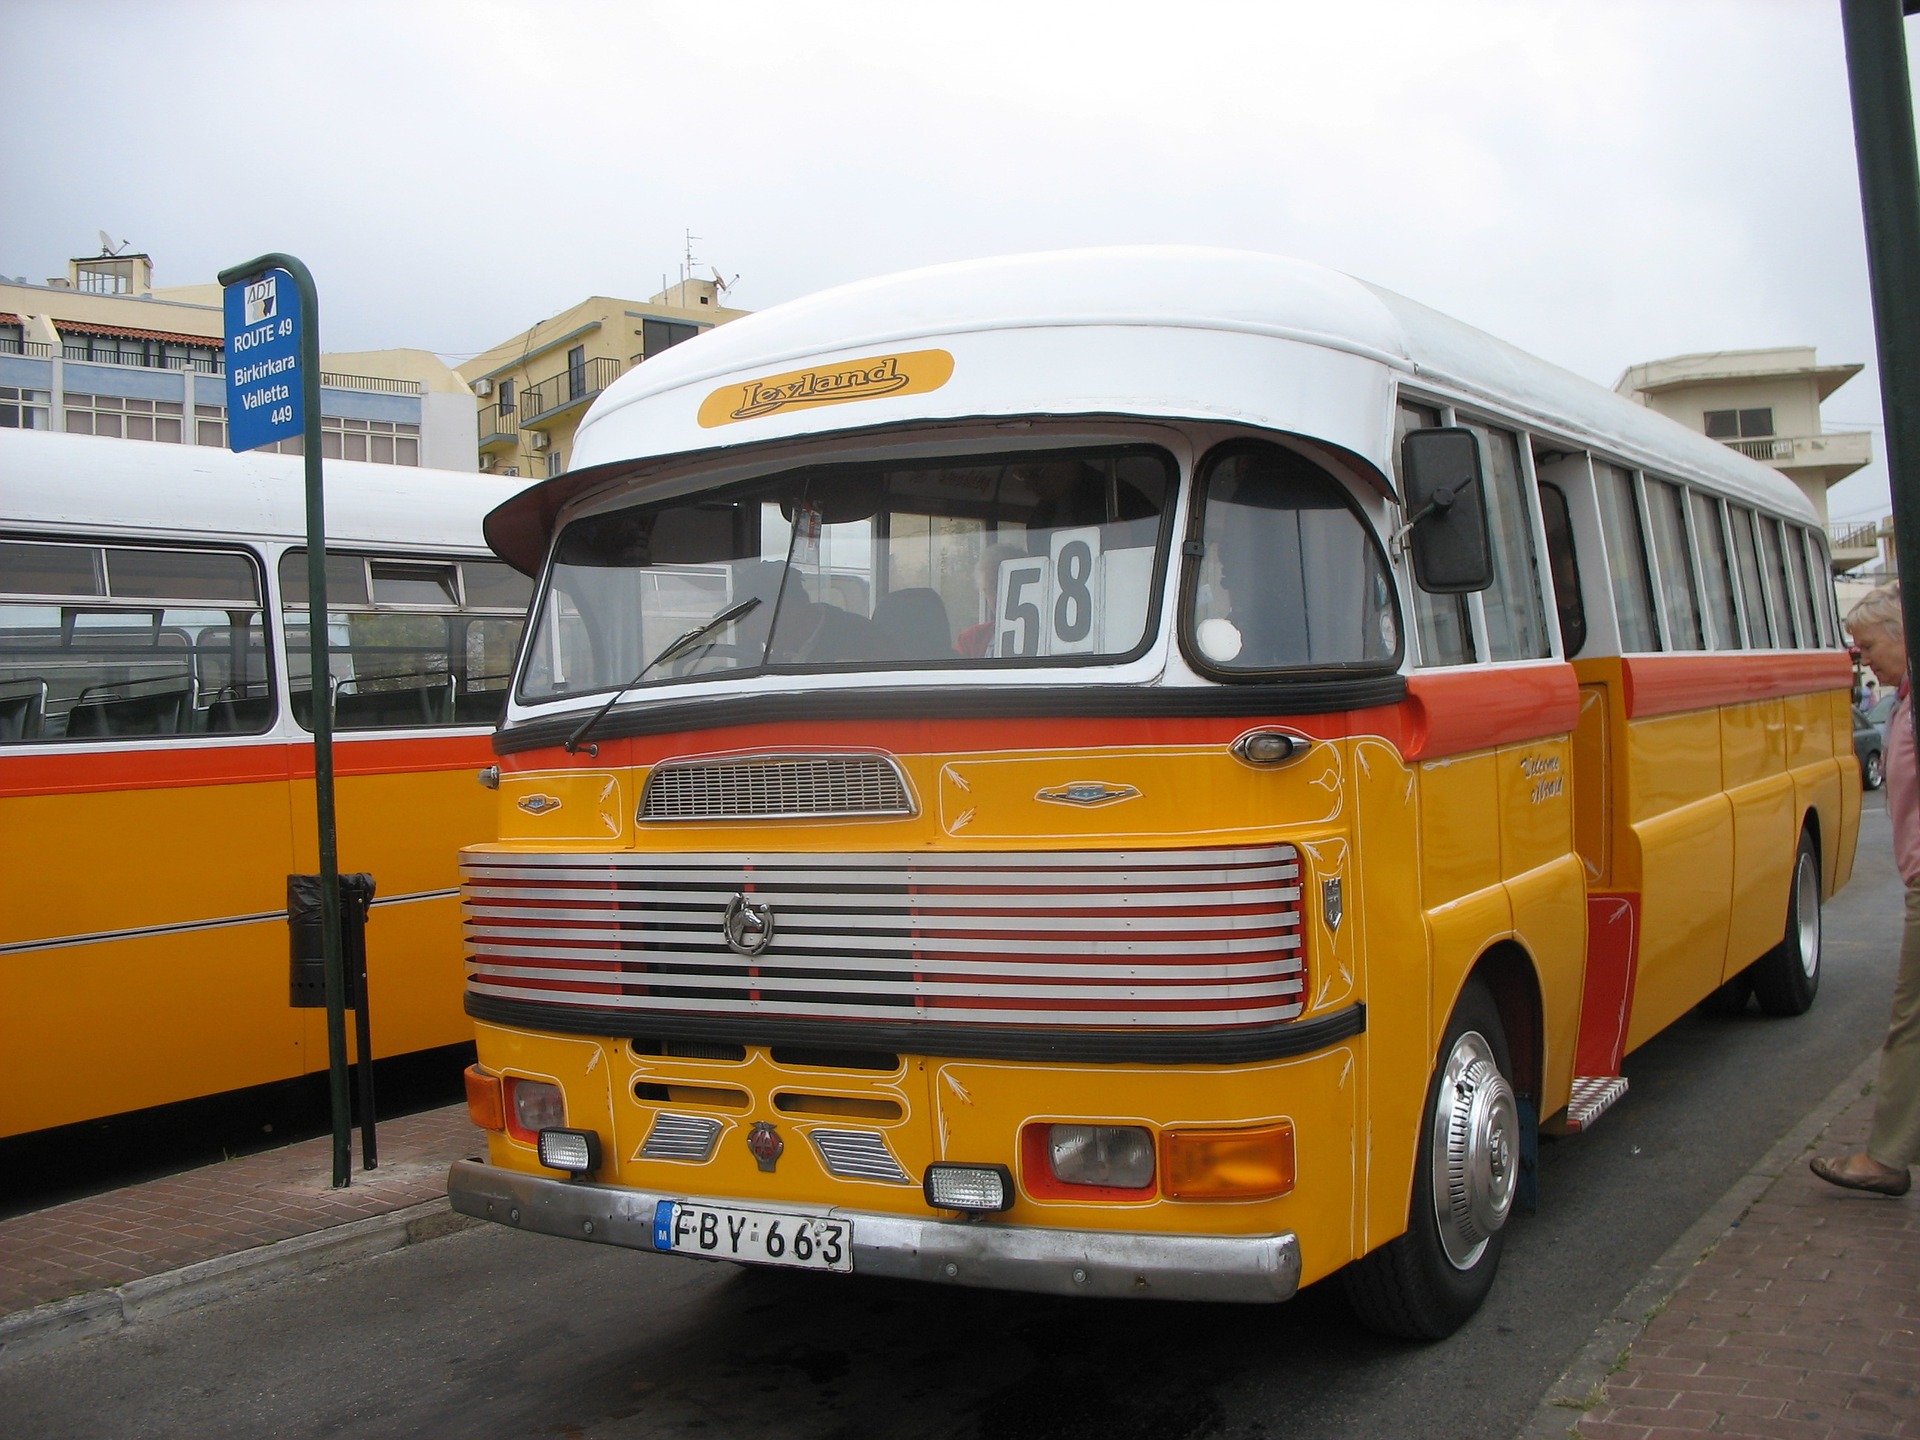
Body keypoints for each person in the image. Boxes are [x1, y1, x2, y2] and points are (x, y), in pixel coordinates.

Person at [1812, 582, 1918, 1196]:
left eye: (1870, 644)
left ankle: (1886, 1158)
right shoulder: (1902, 699)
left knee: (1910, 1022)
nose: (1863, 658)